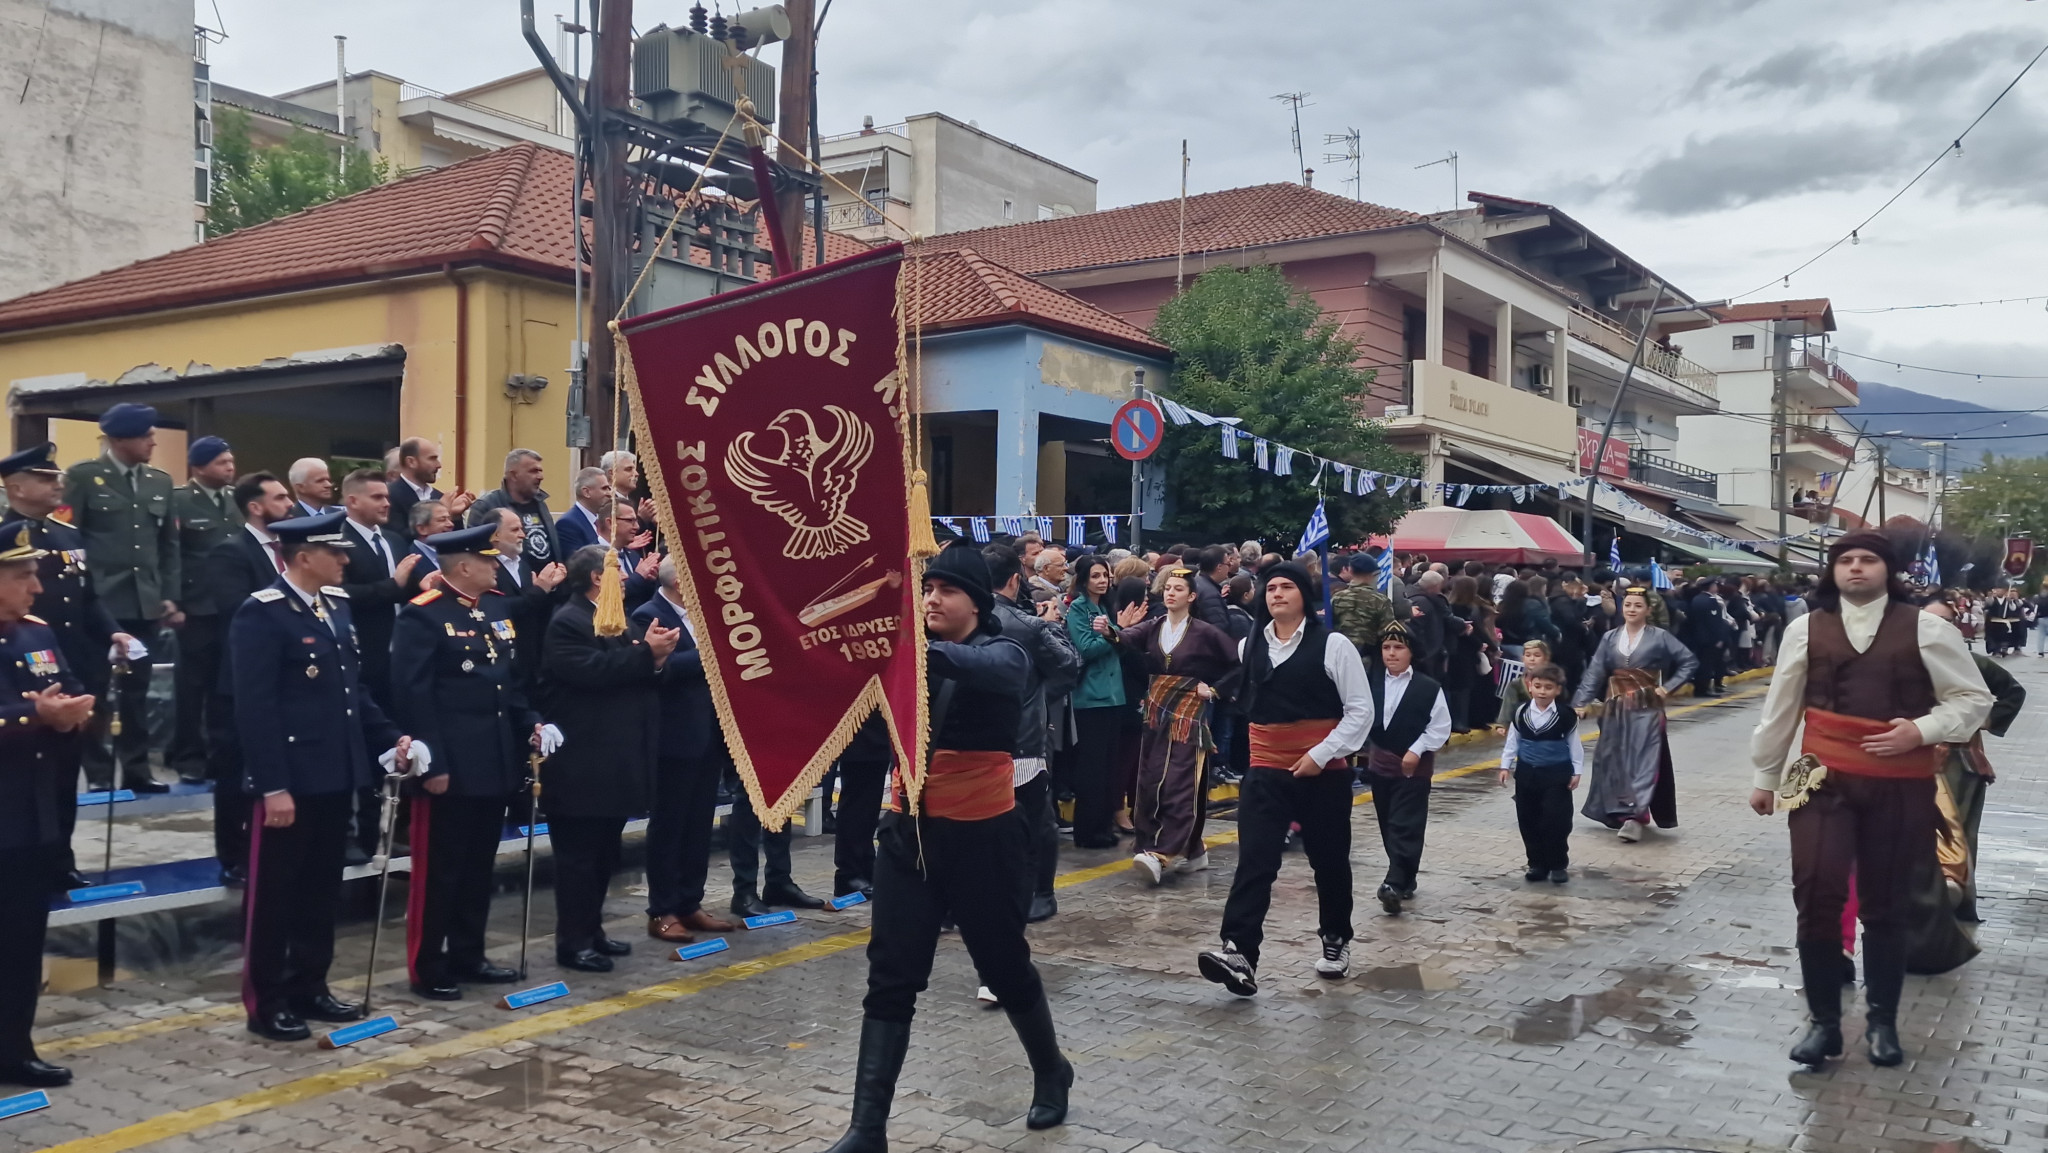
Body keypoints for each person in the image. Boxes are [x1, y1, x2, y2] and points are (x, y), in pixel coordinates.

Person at [822, 543, 1071, 1152]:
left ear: (976, 601)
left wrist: (913, 651)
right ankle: (867, 1128)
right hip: (907, 834)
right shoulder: (907, 656)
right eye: (926, 589)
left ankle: (1051, 1070)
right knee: (891, 976)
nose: (932, 598)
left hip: (984, 838)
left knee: (1002, 966)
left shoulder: (1005, 648)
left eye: (947, 590)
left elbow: (997, 672)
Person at [1748, 532, 1992, 1070]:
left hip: (1898, 784)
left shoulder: (1927, 628)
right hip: (1819, 781)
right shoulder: (1804, 629)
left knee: (1887, 905)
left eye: (1868, 560)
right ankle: (1824, 1025)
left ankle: (1882, 1023)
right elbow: (1780, 709)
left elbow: (1975, 699)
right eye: (1846, 561)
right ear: (1832, 572)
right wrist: (1766, 776)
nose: (1856, 568)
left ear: (1890, 569)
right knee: (1815, 893)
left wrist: (1924, 730)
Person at [231, 511, 424, 1042]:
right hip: (289, 779)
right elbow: (255, 709)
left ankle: (310, 985)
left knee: (320, 890)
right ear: (301, 557)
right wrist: (273, 786)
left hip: (336, 772)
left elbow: (351, 692)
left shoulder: (335, 606)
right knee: (274, 895)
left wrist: (389, 739)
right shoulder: (263, 614)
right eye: (334, 552)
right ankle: (266, 1001)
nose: (344, 559)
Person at [392, 524, 556, 999]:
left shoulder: (497, 608)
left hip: (496, 759)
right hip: (451, 765)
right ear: (463, 566)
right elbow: (413, 696)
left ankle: (469, 952)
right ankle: (428, 965)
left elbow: (509, 681)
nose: (495, 566)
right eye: (487, 560)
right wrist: (434, 764)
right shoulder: (422, 617)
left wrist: (533, 724)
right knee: (440, 870)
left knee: (477, 867)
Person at [1199, 562, 1373, 996]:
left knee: (1329, 861)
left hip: (1323, 772)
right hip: (1265, 771)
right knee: (1255, 861)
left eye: (1286, 586)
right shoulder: (1248, 646)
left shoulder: (1333, 645)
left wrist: (1320, 754)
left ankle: (1335, 939)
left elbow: (1360, 711)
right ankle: (1239, 952)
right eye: (1270, 587)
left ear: (1304, 594)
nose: (1276, 593)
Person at [538, 546, 676, 971]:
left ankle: (593, 930)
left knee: (602, 855)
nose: (627, 578)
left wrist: (656, 659)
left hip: (614, 761)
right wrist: (645, 655)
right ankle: (573, 940)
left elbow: (634, 668)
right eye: (619, 572)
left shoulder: (613, 619)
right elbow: (592, 672)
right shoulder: (569, 620)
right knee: (578, 859)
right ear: (598, 577)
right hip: (582, 762)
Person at [2, 443, 132, 888]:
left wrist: (113, 631)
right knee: (23, 778)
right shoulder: (5, 538)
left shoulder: (68, 535)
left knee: (64, 774)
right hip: (16, 672)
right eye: (45, 478)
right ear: (16, 486)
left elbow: (89, 599)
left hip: (71, 667)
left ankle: (61, 860)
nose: (58, 484)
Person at [0, 519, 96, 1087]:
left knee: (21, 940)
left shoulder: (36, 633)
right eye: (23, 576)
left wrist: (69, 716)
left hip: (31, 814)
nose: (37, 587)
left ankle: (14, 1048)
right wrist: (31, 716)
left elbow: (66, 688)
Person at [63, 402, 178, 794]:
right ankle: (96, 772)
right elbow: (68, 539)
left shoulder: (159, 482)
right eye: (144, 435)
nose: (153, 441)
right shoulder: (83, 477)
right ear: (117, 439)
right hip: (98, 603)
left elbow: (169, 546)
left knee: (136, 694)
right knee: (94, 689)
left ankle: (137, 769)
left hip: (142, 602)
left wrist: (169, 595)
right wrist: (76, 593)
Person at [1103, 565, 1239, 885]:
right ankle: (1190, 850)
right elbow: (1126, 638)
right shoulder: (1154, 625)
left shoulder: (1206, 632)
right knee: (1149, 778)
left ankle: (1163, 852)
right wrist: (1111, 632)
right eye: (1167, 588)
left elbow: (1237, 665)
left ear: (1191, 596)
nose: (1170, 592)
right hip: (1156, 712)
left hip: (1188, 714)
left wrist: (1215, 688)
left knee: (1179, 781)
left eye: (1178, 589)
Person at [633, 558, 742, 943]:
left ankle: (689, 901)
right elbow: (656, 668)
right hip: (672, 738)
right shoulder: (651, 613)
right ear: (681, 580)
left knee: (699, 824)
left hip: (708, 734)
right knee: (669, 825)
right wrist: (711, 657)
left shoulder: (704, 614)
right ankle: (662, 909)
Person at [204, 472, 297, 885]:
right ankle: (234, 856)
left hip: (288, 678)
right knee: (235, 772)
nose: (289, 504)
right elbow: (235, 608)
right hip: (241, 680)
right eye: (280, 498)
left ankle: (275, 847)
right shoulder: (231, 551)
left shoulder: (291, 549)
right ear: (255, 507)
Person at [987, 545, 1083, 921]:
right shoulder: (1028, 624)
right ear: (1016, 579)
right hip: (1021, 740)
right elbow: (1069, 664)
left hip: (994, 737)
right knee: (1034, 818)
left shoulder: (1014, 622)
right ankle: (1039, 892)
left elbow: (1065, 666)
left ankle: (1031, 892)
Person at [1574, 587, 1698, 843]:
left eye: (1638, 606)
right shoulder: (1610, 637)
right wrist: (1581, 702)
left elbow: (1689, 661)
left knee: (1643, 758)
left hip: (1647, 708)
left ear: (1648, 610)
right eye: (1628, 604)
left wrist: (1668, 687)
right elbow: (1595, 670)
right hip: (1615, 706)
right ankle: (1617, 810)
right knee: (1614, 759)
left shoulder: (1660, 636)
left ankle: (1636, 815)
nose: (1632, 609)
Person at [168, 436, 243, 784]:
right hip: (195, 606)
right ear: (199, 467)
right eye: (221, 462)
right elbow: (169, 555)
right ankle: (187, 755)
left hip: (231, 607)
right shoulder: (180, 501)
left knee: (222, 686)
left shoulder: (236, 501)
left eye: (230, 460)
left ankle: (218, 753)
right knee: (191, 688)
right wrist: (173, 601)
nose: (230, 467)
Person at [1363, 621, 1452, 915]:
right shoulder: (1370, 681)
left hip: (1414, 767)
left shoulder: (1428, 687)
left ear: (1412, 652)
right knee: (1388, 822)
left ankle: (1393, 882)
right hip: (1380, 765)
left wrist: (1416, 749)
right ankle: (1405, 876)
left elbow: (1440, 726)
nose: (1391, 653)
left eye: (1399, 647)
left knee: (1406, 824)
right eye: (1386, 648)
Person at [1497, 662, 1582, 884]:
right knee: (1528, 819)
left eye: (1548, 687)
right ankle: (1536, 864)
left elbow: (1574, 745)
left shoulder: (1566, 715)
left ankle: (1557, 864)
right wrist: (1505, 766)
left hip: (1556, 775)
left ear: (1557, 690)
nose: (1542, 691)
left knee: (1556, 819)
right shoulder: (1520, 712)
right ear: (1530, 686)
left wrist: (1577, 771)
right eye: (1538, 686)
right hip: (1526, 775)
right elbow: (1512, 742)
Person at [1063, 554, 1126, 849]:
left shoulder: (1107, 606)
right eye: (1097, 575)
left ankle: (1103, 825)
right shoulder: (1078, 608)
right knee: (1092, 768)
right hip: (1091, 697)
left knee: (1110, 766)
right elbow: (1086, 648)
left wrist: (1116, 633)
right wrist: (1115, 634)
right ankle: (1087, 830)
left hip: (1115, 694)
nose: (1102, 581)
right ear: (1084, 579)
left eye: (1106, 575)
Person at [467, 448, 560, 573]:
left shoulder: (540, 503)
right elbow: (476, 551)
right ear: (513, 475)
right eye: (533, 471)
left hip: (551, 586)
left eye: (540, 471)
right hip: (513, 586)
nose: (540, 477)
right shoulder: (487, 505)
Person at [386, 437, 474, 540]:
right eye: (432, 459)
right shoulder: (389, 495)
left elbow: (457, 543)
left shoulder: (438, 496)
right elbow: (396, 539)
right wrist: (437, 512)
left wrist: (455, 516)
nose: (439, 465)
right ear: (411, 462)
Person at [1331, 552, 1394, 664]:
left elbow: (1330, 625)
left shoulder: (1337, 597)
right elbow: (1388, 633)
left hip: (1340, 654)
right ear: (1374, 574)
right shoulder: (1380, 600)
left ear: (1350, 570)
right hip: (1369, 657)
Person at [1682, 580, 1733, 697]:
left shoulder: (1696, 599)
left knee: (1701, 663)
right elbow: (1715, 622)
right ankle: (1703, 689)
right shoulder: (1711, 601)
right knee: (1707, 664)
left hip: (1698, 637)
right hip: (1710, 639)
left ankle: (1701, 687)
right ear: (1710, 587)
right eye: (1715, 585)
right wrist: (1720, 638)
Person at [555, 466, 614, 555]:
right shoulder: (568, 524)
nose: (609, 494)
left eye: (609, 488)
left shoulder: (601, 520)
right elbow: (577, 563)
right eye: (604, 488)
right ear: (586, 492)